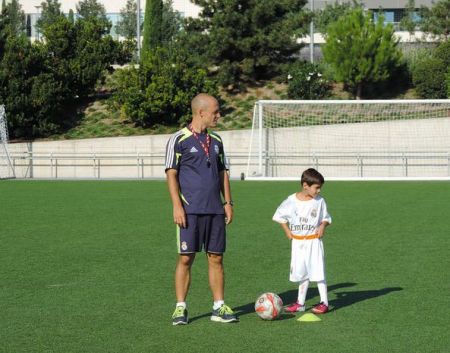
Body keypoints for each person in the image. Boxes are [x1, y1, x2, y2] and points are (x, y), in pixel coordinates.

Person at [165, 93, 238, 325]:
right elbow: (171, 174)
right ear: (201, 112)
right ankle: (180, 308)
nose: (219, 115)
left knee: (216, 257)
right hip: (190, 211)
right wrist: (177, 206)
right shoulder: (178, 139)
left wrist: (228, 202)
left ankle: (219, 306)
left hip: (215, 210)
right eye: (216, 112)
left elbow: (222, 172)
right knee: (186, 258)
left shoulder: (217, 140)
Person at [272, 168, 332, 314]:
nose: (318, 191)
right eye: (316, 187)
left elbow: (326, 218)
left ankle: (324, 302)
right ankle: (301, 303)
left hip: (313, 242)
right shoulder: (291, 200)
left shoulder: (319, 201)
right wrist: (287, 231)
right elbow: (279, 216)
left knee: (318, 271)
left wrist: (323, 226)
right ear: (305, 185)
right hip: (298, 243)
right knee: (302, 272)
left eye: (320, 188)